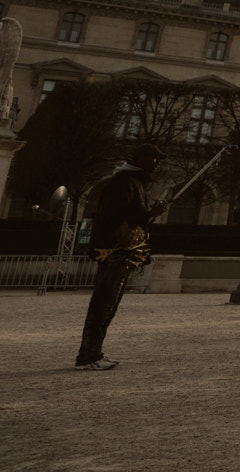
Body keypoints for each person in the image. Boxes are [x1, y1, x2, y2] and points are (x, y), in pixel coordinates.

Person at [75, 144, 166, 370]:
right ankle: (88, 355)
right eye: (155, 159)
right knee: (104, 304)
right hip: (116, 252)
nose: (158, 164)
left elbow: (126, 216)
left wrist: (147, 216)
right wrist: (149, 216)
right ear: (143, 159)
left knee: (108, 304)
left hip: (117, 251)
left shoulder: (130, 181)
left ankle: (92, 353)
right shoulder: (126, 182)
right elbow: (116, 217)